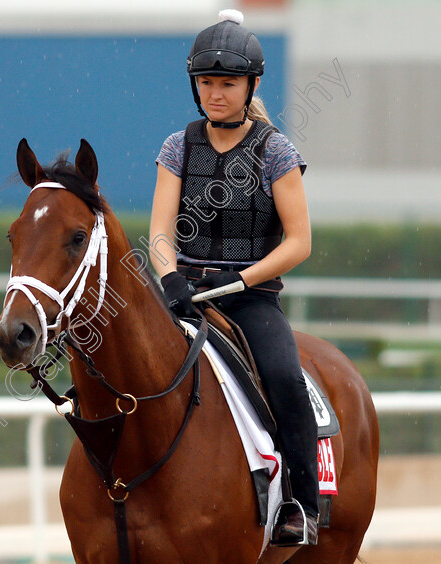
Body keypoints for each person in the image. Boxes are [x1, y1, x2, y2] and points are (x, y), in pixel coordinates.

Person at [148, 9, 319, 546]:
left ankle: (302, 505)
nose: (215, 94)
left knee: (287, 380)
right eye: (207, 83)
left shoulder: (275, 151)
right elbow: (158, 234)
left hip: (250, 301)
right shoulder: (178, 146)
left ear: (251, 86)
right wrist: (171, 277)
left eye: (227, 84)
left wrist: (244, 279)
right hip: (182, 295)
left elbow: (299, 242)